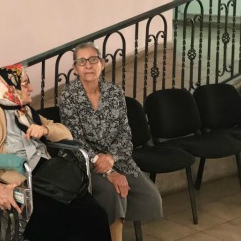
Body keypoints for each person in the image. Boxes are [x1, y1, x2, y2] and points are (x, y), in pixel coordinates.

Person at [0, 63, 110, 241]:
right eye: (25, 83)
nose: (31, 88)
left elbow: (64, 133)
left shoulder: (24, 110)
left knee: (96, 214)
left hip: (49, 172)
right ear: (10, 88)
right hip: (24, 179)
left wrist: (45, 130)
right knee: (65, 222)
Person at [59, 42, 163, 241]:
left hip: (115, 157)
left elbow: (125, 134)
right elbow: (75, 140)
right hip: (83, 161)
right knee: (112, 190)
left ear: (102, 63)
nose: (88, 65)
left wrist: (112, 159)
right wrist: (108, 171)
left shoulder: (114, 92)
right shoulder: (69, 96)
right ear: (75, 68)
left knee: (150, 195)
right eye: (82, 61)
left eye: (93, 59)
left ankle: (105, 228)